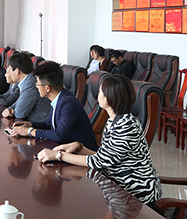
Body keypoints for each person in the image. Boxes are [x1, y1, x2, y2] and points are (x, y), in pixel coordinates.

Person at [37, 74, 162, 205]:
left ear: (109, 98)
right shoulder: (114, 120)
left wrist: (58, 155)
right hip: (116, 187)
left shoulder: (126, 126)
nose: (98, 94)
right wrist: (79, 147)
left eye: (101, 91)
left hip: (134, 194)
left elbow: (98, 162)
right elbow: (104, 156)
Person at [10, 61, 97, 150]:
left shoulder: (68, 103)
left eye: (37, 84)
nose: (36, 86)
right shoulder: (59, 98)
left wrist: (29, 131)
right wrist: (30, 124)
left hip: (81, 155)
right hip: (63, 148)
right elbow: (48, 124)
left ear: (47, 88)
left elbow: (59, 135)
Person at [1, 52, 51, 123]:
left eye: (10, 70)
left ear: (17, 71)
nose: (9, 73)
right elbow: (20, 101)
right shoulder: (27, 80)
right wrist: (10, 108)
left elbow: (19, 114)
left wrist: (12, 111)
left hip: (40, 126)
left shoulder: (31, 83)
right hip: (29, 123)